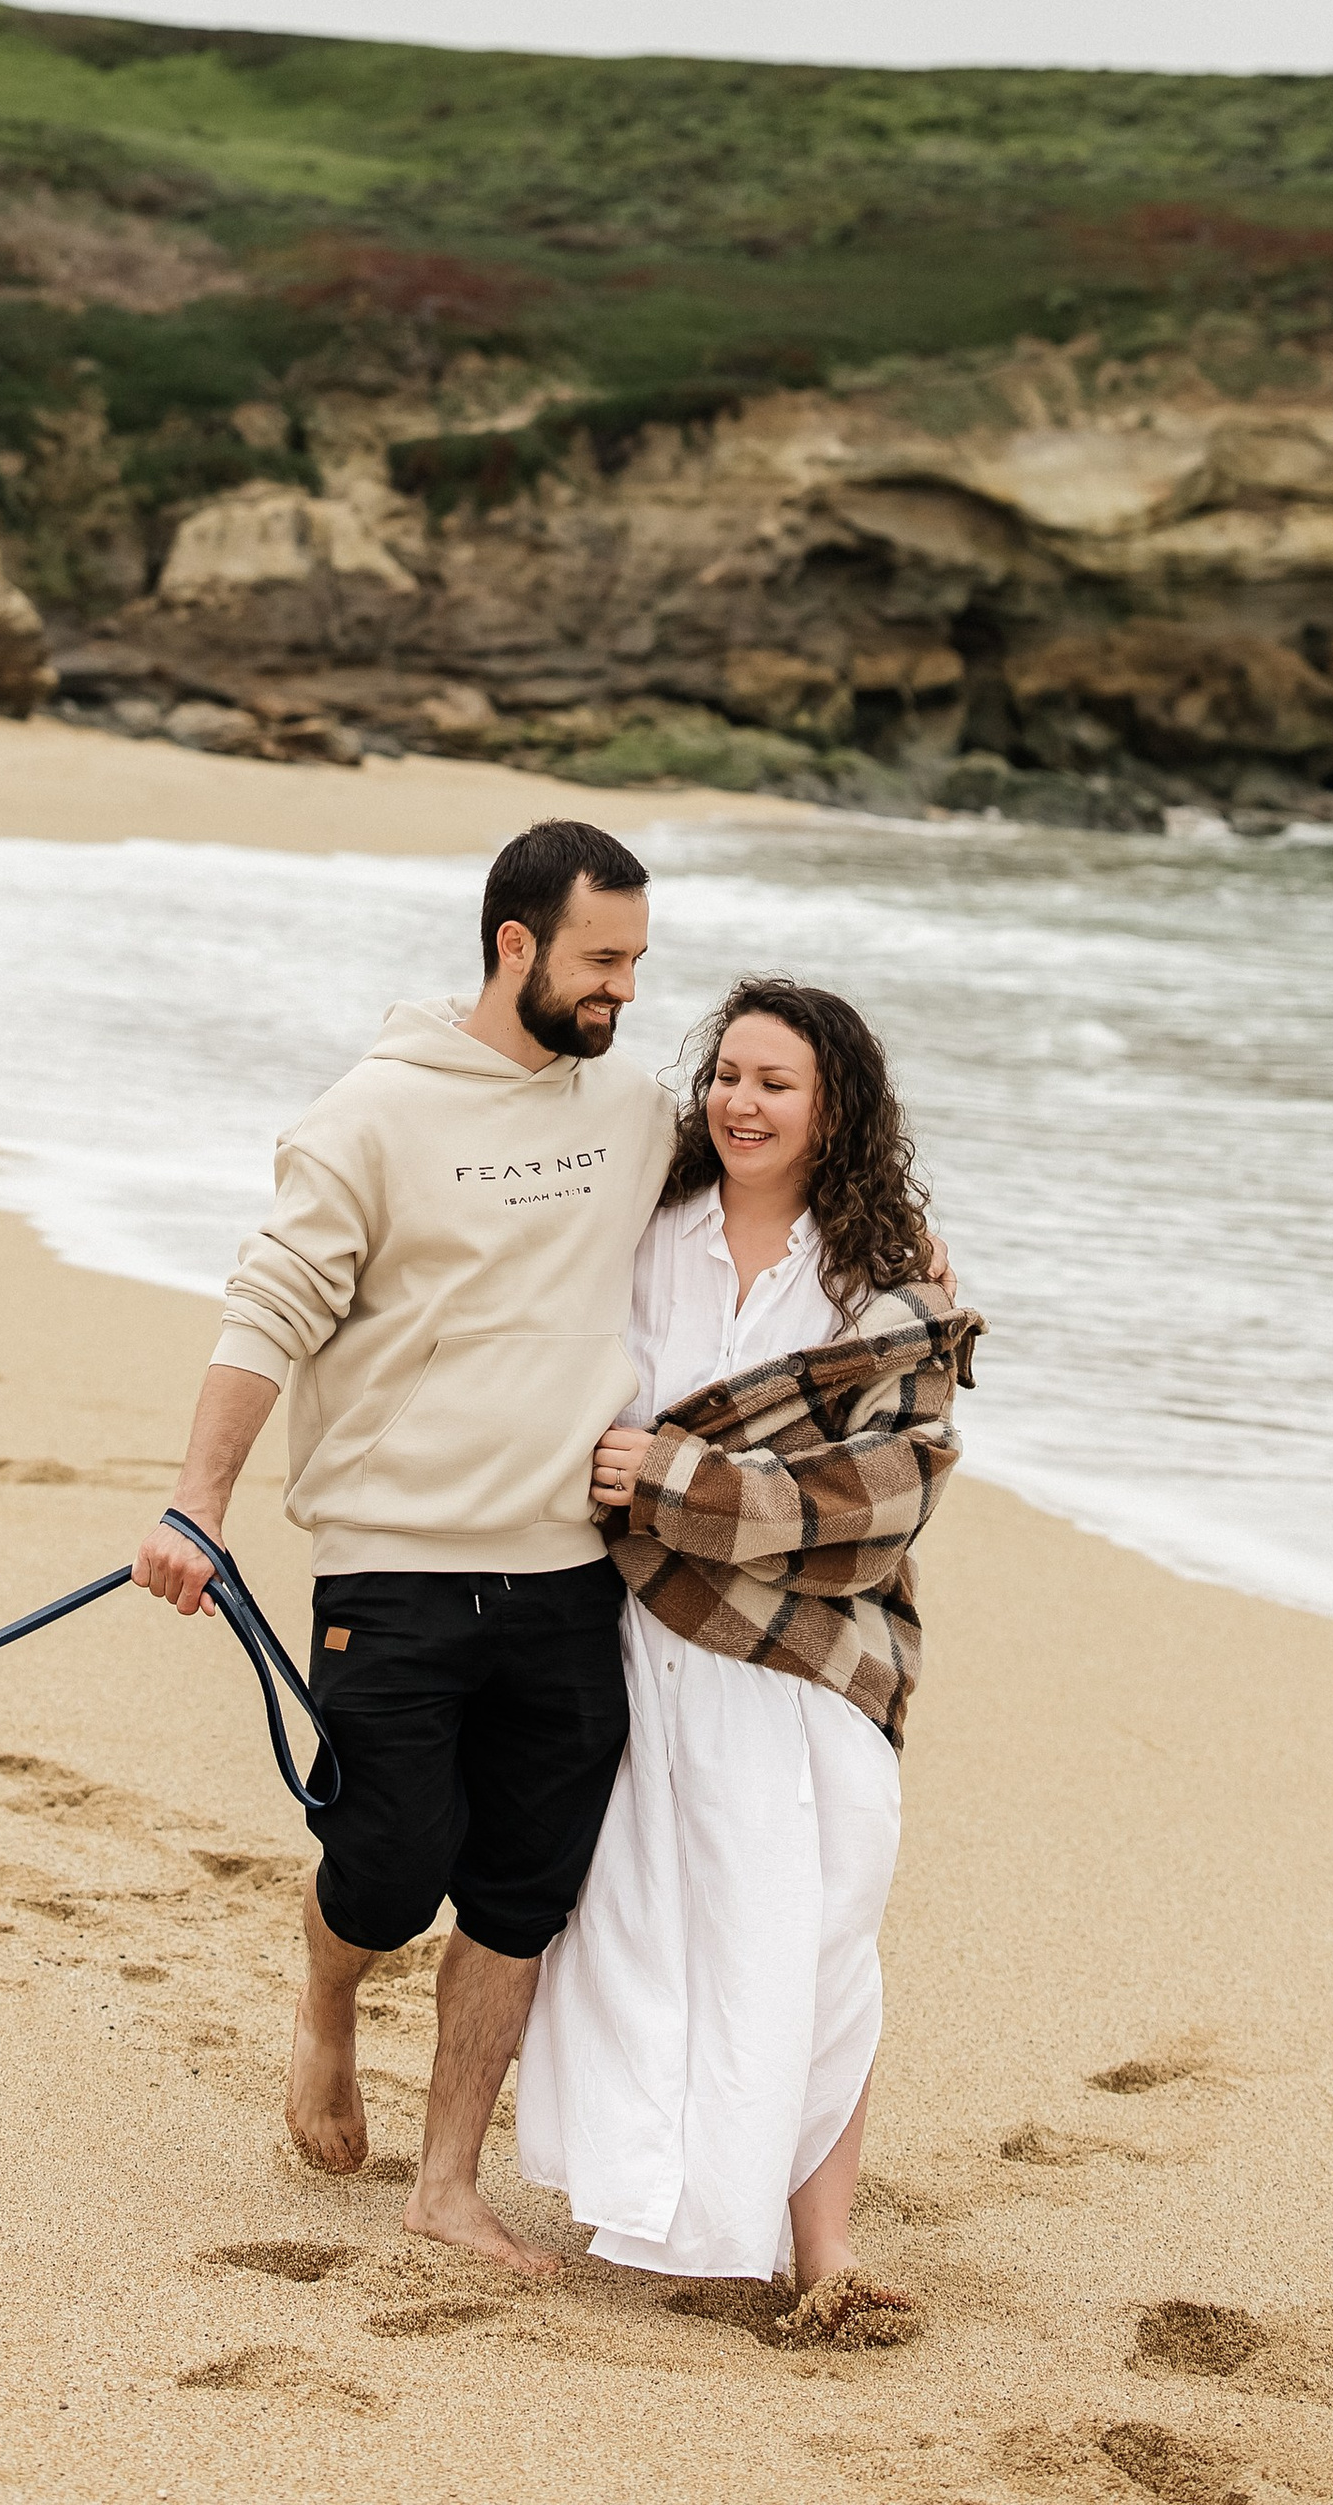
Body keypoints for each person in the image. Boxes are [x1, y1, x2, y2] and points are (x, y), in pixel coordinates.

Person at [133, 818, 675, 2274]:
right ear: (517, 946)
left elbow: (770, 1185)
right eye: (603, 959)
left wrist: (906, 1257)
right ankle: (324, 2005)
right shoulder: (368, 1117)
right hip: (397, 1564)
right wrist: (200, 1498)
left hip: (569, 1575)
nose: (626, 989)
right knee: (385, 1863)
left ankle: (449, 2179)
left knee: (519, 1889)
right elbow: (270, 1308)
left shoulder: (633, 1114)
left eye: (637, 959)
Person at [516, 974, 978, 2348]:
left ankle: (822, 2243)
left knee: (818, 1939)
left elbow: (893, 1490)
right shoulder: (644, 1231)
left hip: (806, 1661)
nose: (742, 1101)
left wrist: (677, 1479)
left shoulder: (880, 1281)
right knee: (651, 1938)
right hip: (647, 1650)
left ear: (835, 1108)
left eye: (777, 1083)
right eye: (727, 1074)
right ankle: (661, 2199)